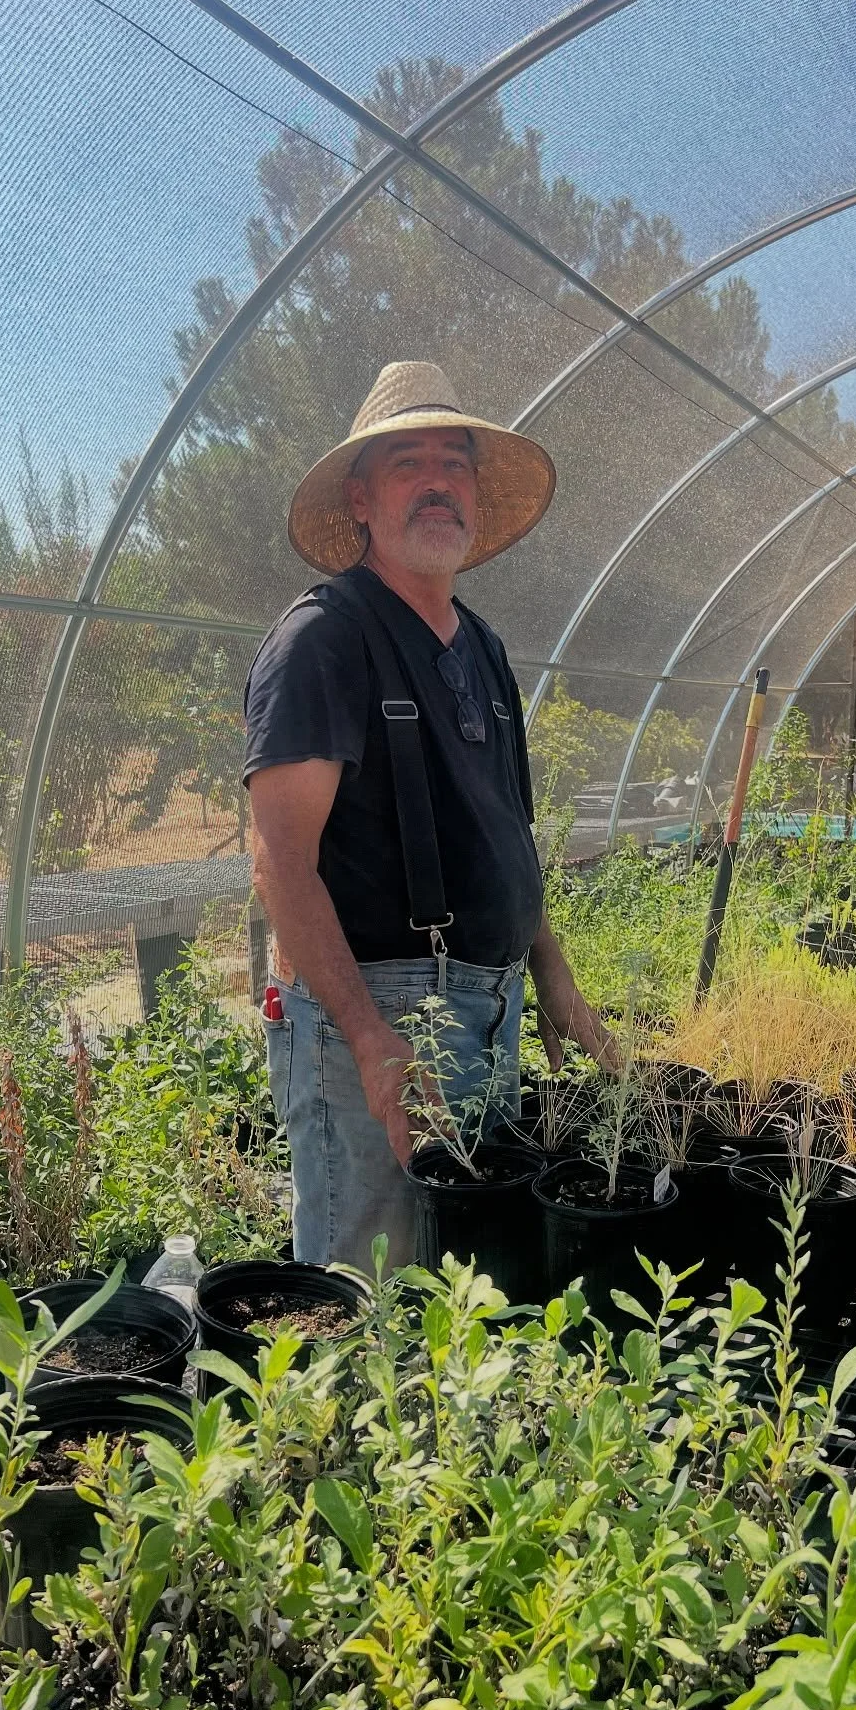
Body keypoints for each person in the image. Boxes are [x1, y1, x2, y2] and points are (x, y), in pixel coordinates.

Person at [243, 361, 614, 1271]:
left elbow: (506, 833)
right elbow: (279, 865)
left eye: (457, 461)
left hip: (487, 1005)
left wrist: (551, 972)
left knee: (465, 1280)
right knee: (371, 1283)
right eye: (409, 462)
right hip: (376, 1011)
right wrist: (373, 1041)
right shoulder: (325, 639)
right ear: (361, 500)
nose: (440, 480)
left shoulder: (481, 649)